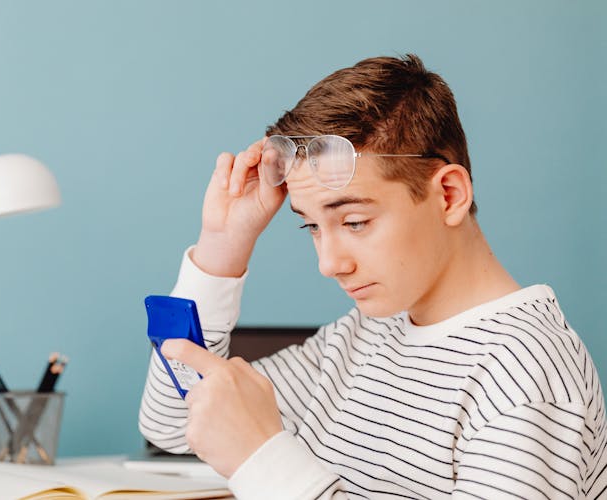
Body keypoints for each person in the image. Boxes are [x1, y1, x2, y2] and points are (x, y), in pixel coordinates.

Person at [139, 54, 607, 499]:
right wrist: (221, 249)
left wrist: (263, 459)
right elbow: (173, 423)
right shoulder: (363, 336)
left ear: (448, 194)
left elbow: (248, 453)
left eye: (355, 222)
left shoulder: (523, 377)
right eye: (311, 226)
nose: (329, 263)